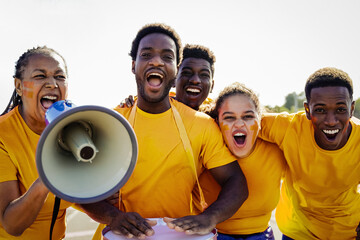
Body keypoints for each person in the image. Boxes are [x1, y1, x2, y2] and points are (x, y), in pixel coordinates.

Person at [81, 23, 249, 239]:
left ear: (176, 69)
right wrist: (112, 216)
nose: (157, 61)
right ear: (134, 65)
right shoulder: (108, 123)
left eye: (167, 57)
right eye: (147, 54)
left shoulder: (202, 125)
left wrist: (210, 217)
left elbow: (236, 182)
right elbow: (79, 187)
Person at [259, 67, 360, 239]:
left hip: (346, 233)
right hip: (297, 233)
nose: (331, 121)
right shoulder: (288, 128)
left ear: (351, 109)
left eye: (340, 109)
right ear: (307, 110)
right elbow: (239, 117)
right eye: (320, 110)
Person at [193, 82, 286, 240]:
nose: (239, 124)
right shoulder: (206, 148)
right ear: (217, 122)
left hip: (263, 235)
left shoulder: (277, 149)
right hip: (215, 235)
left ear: (260, 120)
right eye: (229, 118)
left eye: (248, 116)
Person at [0, 46, 73, 239]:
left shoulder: (74, 127)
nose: (52, 83)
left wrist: (112, 215)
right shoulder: (2, 135)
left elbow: (80, 193)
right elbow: (12, 225)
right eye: (40, 76)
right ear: (18, 86)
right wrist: (47, 181)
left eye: (60, 77)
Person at [120, 43, 215, 112]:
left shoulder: (217, 115)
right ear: (174, 79)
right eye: (187, 73)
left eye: (204, 75)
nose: (195, 80)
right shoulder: (154, 109)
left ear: (212, 86)